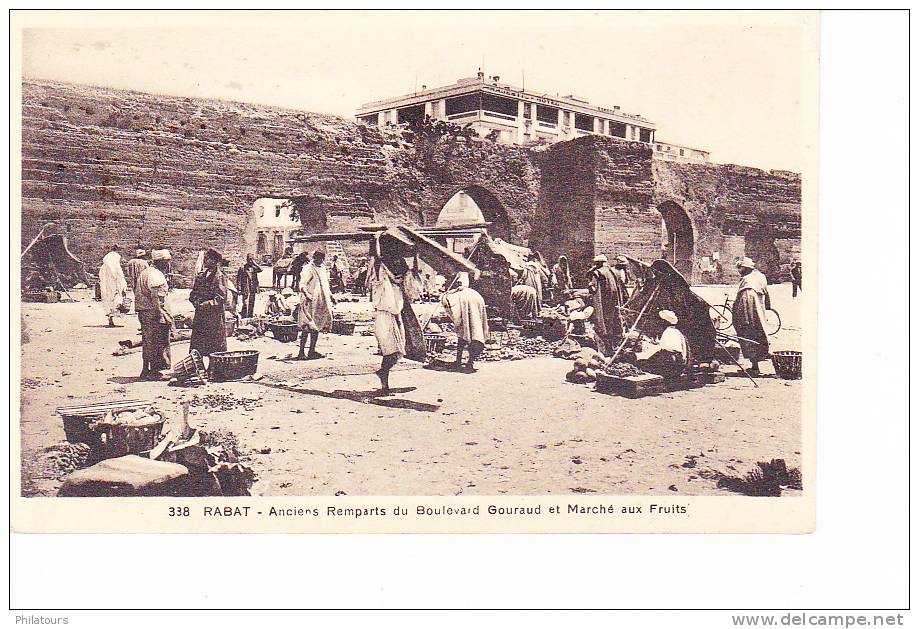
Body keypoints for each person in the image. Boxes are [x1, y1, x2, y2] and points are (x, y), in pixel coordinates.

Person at [367, 239, 423, 394]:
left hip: (396, 317)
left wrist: (416, 254)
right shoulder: (381, 277)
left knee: (397, 352)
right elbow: (377, 259)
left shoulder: (400, 284)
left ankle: (383, 375)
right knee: (390, 351)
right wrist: (377, 240)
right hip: (384, 318)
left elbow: (413, 273)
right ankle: (384, 380)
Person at [135, 249, 173, 380]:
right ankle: (152, 371)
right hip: (152, 311)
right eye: (167, 262)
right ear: (161, 262)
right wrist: (159, 313)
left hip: (144, 311)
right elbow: (155, 296)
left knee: (148, 341)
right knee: (157, 341)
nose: (168, 265)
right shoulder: (155, 274)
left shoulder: (146, 272)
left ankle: (147, 370)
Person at [441, 272, 489, 372]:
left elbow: (449, 306)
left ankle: (460, 361)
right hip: (474, 308)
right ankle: (469, 362)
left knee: (462, 336)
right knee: (475, 333)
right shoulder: (475, 293)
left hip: (464, 310)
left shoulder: (453, 295)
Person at [733, 257, 771, 375]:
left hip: (749, 309)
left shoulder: (747, 280)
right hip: (759, 309)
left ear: (745, 268)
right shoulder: (761, 276)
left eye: (740, 268)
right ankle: (756, 366)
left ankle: (755, 367)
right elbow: (766, 293)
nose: (739, 271)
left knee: (748, 333)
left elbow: (744, 300)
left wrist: (736, 311)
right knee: (760, 332)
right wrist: (768, 306)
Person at [189, 248, 228, 360]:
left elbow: (220, 298)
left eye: (208, 258)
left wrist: (205, 305)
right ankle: (198, 368)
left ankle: (214, 371)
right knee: (199, 345)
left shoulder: (220, 277)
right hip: (200, 316)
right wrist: (195, 301)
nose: (205, 260)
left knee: (214, 346)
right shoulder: (201, 276)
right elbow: (193, 293)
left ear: (215, 261)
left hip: (213, 317)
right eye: (205, 258)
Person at [295, 250, 334, 360]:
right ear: (314, 257)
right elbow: (302, 284)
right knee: (307, 326)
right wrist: (307, 294)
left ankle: (312, 351)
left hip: (320, 300)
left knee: (316, 326)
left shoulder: (323, 268)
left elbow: (325, 284)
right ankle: (301, 352)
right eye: (317, 258)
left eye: (321, 259)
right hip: (309, 300)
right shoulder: (308, 268)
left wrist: (331, 296)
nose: (319, 260)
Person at [587, 254, 627, 354]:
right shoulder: (612, 271)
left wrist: (590, 286)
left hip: (604, 303)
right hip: (614, 302)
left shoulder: (597, 273)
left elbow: (593, 288)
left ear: (598, 263)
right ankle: (615, 347)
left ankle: (607, 349)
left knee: (603, 324)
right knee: (614, 323)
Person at [633, 310, 689, 379]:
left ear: (665, 322)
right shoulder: (676, 332)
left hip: (671, 362)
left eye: (661, 321)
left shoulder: (669, 332)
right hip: (678, 363)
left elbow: (664, 348)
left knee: (641, 364)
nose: (659, 323)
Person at [99, 244, 128, 327]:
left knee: (108, 301)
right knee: (116, 301)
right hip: (115, 286)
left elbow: (101, 279)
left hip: (107, 288)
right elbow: (120, 277)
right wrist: (123, 287)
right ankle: (111, 318)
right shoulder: (116, 268)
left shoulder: (103, 268)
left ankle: (110, 318)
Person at [236, 253, 263, 318]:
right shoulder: (243, 268)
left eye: (251, 259)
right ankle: (245, 315)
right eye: (249, 259)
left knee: (251, 302)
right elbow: (239, 279)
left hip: (253, 287)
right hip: (245, 288)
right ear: (247, 259)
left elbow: (260, 269)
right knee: (245, 303)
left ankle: (250, 315)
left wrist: (254, 263)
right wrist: (239, 288)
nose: (250, 261)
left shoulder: (254, 268)